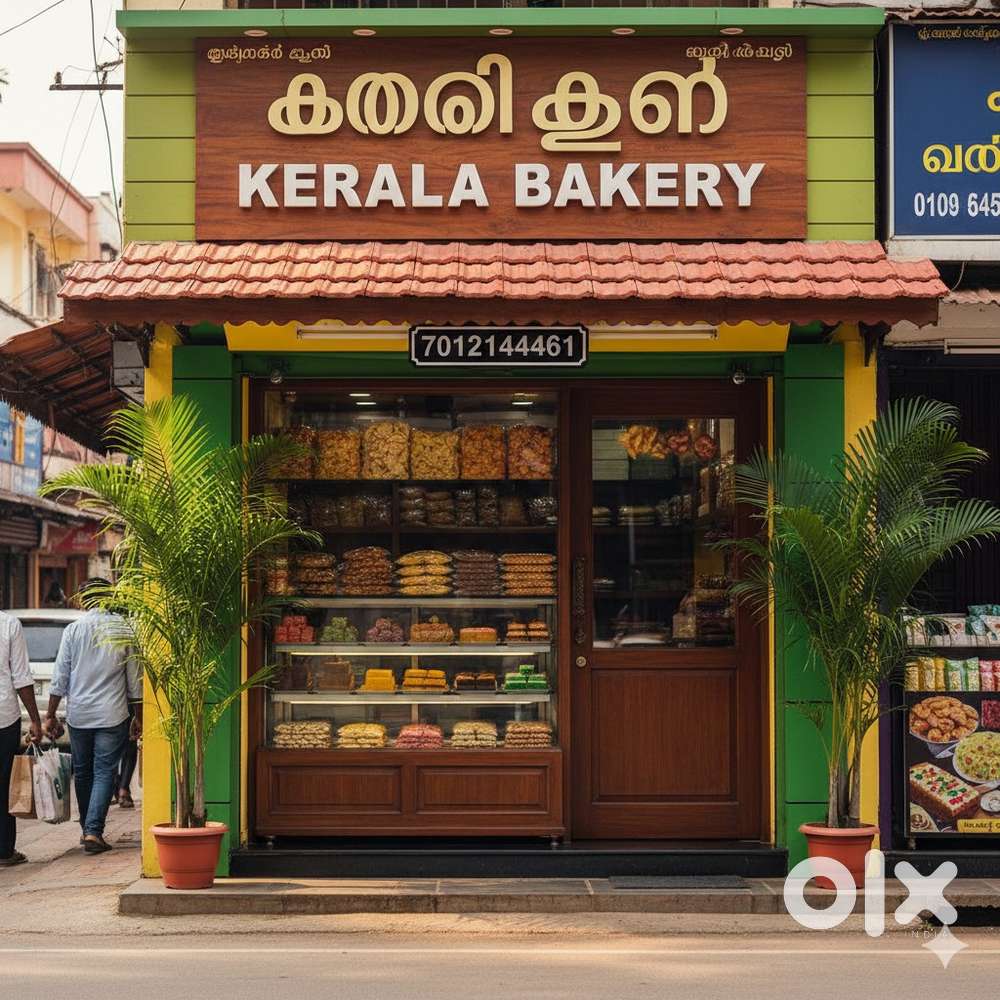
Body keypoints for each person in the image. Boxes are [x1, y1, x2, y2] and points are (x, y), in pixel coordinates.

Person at [43, 580, 141, 855]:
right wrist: (139, 716)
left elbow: (60, 677)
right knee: (103, 772)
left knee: (84, 773)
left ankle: (89, 829)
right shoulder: (123, 628)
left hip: (79, 715)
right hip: (113, 714)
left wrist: (50, 714)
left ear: (85, 600)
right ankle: (93, 831)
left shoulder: (73, 630)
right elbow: (134, 682)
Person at [0, 611, 42, 867]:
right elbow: (21, 677)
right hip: (3, 716)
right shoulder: (8, 624)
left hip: (5, 716)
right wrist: (35, 719)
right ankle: (4, 851)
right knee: (4, 782)